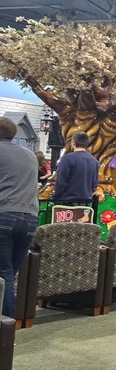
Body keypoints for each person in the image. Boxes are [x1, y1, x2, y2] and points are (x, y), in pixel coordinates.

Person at [0, 117, 39, 318]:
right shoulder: (30, 155)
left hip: (3, 215)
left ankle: (6, 331)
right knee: (8, 275)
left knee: (3, 276)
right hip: (30, 219)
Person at [52, 132, 99, 206]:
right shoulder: (94, 161)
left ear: (73, 142)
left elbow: (61, 181)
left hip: (67, 202)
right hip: (86, 203)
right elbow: (95, 184)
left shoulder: (66, 159)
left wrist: (56, 197)